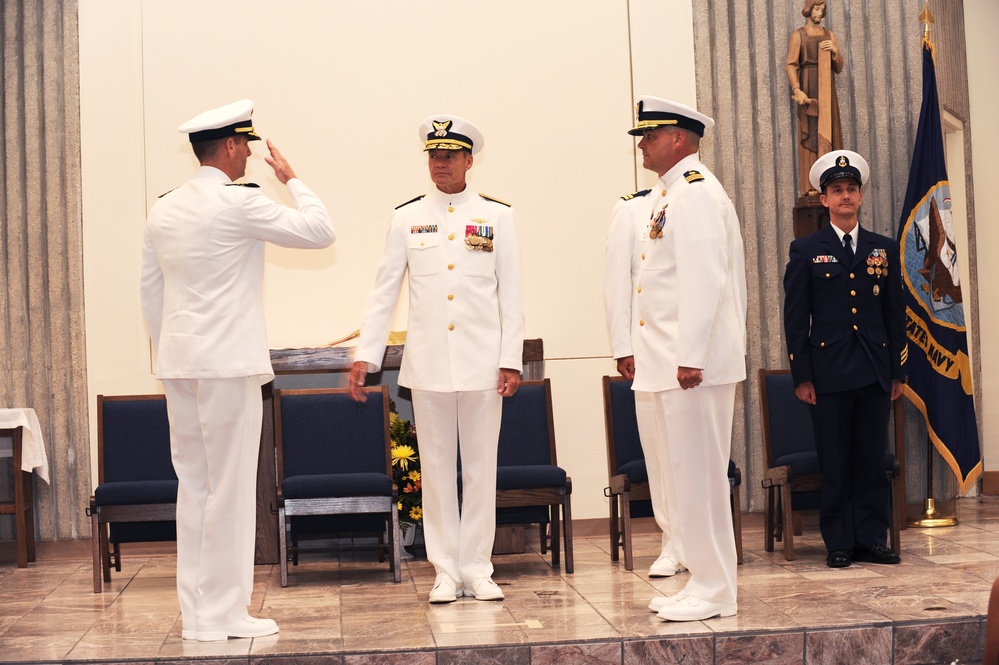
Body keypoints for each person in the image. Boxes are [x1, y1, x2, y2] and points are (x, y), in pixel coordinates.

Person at [140, 99, 335, 641]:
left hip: (180, 364)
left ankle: (197, 615)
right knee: (228, 488)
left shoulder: (164, 207)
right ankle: (225, 613)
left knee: (195, 487)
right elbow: (321, 231)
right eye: (245, 144)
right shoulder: (238, 202)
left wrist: (171, 351)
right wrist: (293, 179)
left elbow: (150, 291)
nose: (250, 153)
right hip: (227, 364)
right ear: (228, 147)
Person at [349, 115, 524, 604]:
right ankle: (445, 569)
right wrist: (367, 354)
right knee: (438, 472)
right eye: (433, 155)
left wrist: (511, 359)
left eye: (449, 155)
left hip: (483, 366)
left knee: (481, 469)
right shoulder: (406, 217)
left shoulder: (497, 216)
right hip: (427, 367)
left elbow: (512, 295)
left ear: (470, 160)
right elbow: (384, 291)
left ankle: (478, 568)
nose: (440, 163)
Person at [619, 96, 747, 622]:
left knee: (700, 478)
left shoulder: (694, 194)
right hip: (672, 364)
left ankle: (716, 588)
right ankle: (704, 580)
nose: (642, 144)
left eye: (650, 136)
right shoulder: (667, 195)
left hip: (692, 366)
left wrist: (690, 355)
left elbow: (704, 278)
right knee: (688, 476)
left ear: (680, 139)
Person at [782, 149, 906, 569]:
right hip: (829, 373)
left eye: (852, 189)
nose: (846, 196)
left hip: (873, 371)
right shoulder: (806, 250)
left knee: (870, 460)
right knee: (835, 461)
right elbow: (796, 319)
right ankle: (838, 542)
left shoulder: (882, 248)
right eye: (837, 191)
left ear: (860, 196)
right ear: (824, 200)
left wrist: (897, 373)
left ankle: (871, 539)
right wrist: (802, 375)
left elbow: (894, 315)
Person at [604, 165, 682, 582]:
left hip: (695, 351)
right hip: (650, 352)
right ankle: (672, 542)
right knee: (660, 451)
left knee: (696, 454)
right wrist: (623, 347)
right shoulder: (632, 209)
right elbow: (617, 282)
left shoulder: (698, 200)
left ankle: (700, 542)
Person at [786, 0, 845, 197]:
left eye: (822, 9)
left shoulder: (830, 36)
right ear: (808, 9)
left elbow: (838, 67)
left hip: (827, 89)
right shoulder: (799, 35)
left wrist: (835, 52)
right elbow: (792, 64)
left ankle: (832, 181)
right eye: (816, 9)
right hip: (809, 86)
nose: (820, 13)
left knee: (831, 131)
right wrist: (797, 89)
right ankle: (811, 185)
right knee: (810, 132)